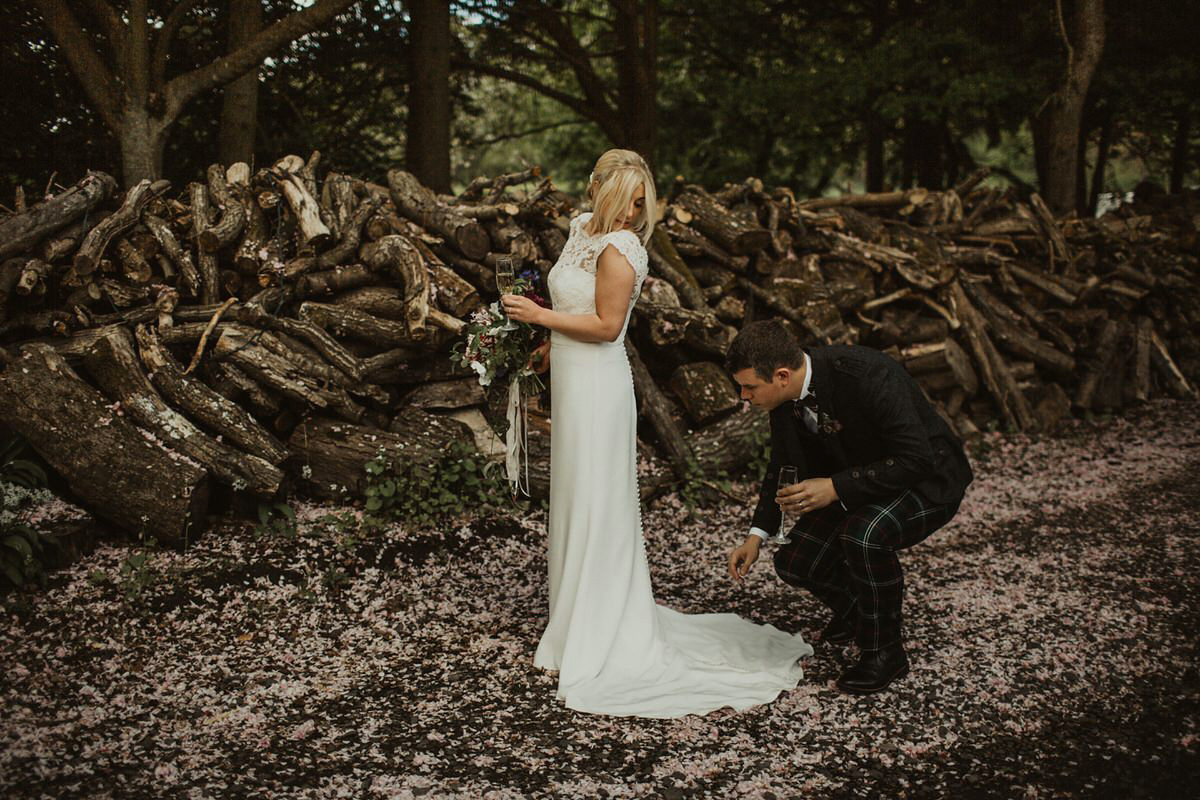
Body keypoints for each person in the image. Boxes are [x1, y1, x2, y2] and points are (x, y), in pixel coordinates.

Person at [501, 150, 812, 718]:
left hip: (599, 388)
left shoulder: (623, 250)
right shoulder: (579, 231)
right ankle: (569, 625)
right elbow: (575, 301)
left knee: (598, 503)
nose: (633, 212)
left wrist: (540, 319)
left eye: (642, 202)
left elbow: (605, 326)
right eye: (624, 200)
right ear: (595, 190)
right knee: (572, 500)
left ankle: (601, 633)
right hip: (570, 380)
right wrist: (544, 348)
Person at [725, 320, 973, 694]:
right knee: (794, 562)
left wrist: (836, 487)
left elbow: (916, 458)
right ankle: (862, 614)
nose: (744, 396)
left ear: (780, 375)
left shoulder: (868, 374)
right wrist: (756, 535)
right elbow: (781, 465)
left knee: (864, 535)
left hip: (926, 480)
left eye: (749, 387)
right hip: (860, 484)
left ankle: (885, 652)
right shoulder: (782, 398)